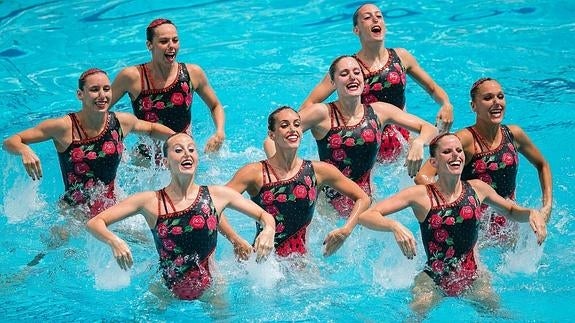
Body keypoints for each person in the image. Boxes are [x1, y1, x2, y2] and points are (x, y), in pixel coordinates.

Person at [358, 133, 547, 317]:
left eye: (459, 150)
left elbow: (511, 211)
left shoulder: (477, 188)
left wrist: (531, 213)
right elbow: (366, 215)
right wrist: (394, 226)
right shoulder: (420, 195)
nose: (456, 155)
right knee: (414, 317)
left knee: (501, 315)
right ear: (434, 163)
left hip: (473, 277)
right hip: (433, 280)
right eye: (447, 152)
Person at [86, 133, 276, 301]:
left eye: (191, 149)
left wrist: (268, 230)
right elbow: (95, 223)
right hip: (165, 290)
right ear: (166, 162)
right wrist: (114, 241)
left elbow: (265, 215)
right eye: (178, 150)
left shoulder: (217, 195)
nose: (187, 153)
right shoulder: (150, 201)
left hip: (212, 288)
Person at [267, 55, 437, 217]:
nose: (352, 77)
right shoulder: (321, 114)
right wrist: (283, 173)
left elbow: (430, 129)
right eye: (344, 74)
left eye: (357, 72)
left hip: (365, 202)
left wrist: (419, 142)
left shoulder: (379, 111)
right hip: (326, 207)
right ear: (333, 82)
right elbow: (271, 139)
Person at [2, 68, 175, 219]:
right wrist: (24, 150)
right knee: (49, 252)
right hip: (73, 213)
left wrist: (178, 138)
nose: (102, 95)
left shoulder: (121, 122)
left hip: (110, 207)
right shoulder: (64, 127)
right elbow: (10, 141)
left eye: (106, 89)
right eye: (94, 90)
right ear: (80, 94)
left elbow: (151, 128)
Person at [300, 3, 452, 162]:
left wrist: (446, 104)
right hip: (366, 142)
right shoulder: (350, 69)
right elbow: (310, 103)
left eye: (379, 16)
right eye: (367, 17)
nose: (375, 20)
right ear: (356, 30)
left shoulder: (401, 57)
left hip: (403, 138)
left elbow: (432, 88)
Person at [415, 78, 553, 246]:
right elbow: (423, 176)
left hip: (509, 219)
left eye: (500, 96)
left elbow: (542, 165)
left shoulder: (513, 134)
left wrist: (547, 206)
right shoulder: (465, 139)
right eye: (488, 98)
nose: (496, 102)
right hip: (471, 223)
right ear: (473, 106)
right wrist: (450, 203)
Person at [223, 106, 371, 258]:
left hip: (302, 266)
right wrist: (236, 240)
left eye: (297, 124)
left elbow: (364, 198)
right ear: (272, 135)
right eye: (284, 125)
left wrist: (345, 231)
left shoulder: (319, 171)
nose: (292, 129)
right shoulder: (255, 173)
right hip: (264, 266)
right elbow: (215, 204)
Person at [111, 18, 225, 160]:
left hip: (184, 154)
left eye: (175, 40)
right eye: (164, 41)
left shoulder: (192, 73)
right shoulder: (132, 77)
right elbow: (99, 111)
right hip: (146, 159)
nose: (171, 46)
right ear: (149, 45)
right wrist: (117, 140)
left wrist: (219, 132)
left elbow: (215, 105)